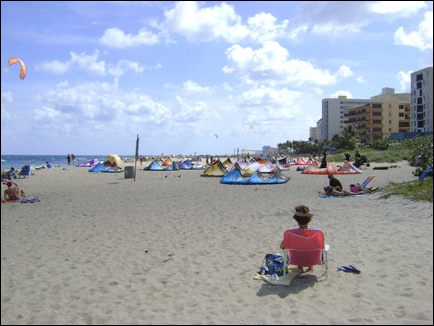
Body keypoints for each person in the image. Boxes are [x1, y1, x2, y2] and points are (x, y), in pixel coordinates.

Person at [279, 205, 320, 272]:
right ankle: (310, 267)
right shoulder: (317, 232)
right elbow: (322, 246)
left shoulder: (291, 234)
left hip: (296, 260)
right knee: (310, 248)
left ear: (296, 219)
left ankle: (300, 267)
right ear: (309, 219)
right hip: (314, 260)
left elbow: (282, 247)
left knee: (297, 249)